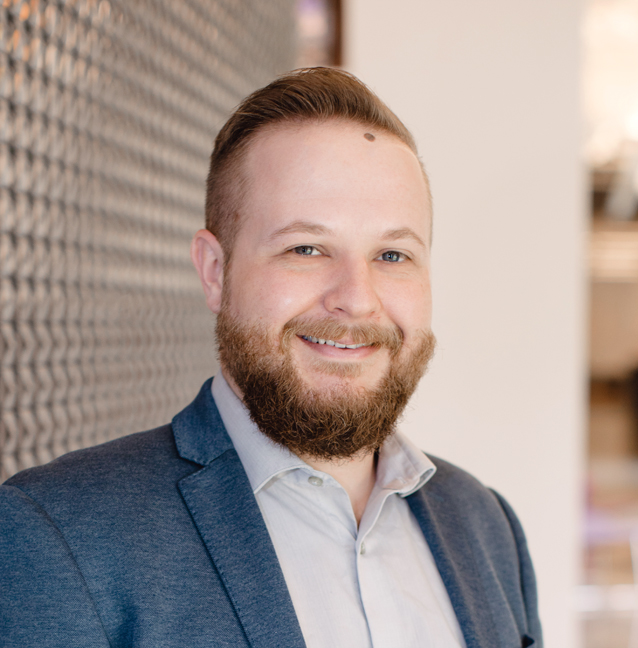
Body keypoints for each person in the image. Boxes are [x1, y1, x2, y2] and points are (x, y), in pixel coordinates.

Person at [0, 68, 542, 648]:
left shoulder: (488, 527)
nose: (357, 299)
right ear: (216, 272)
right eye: (305, 248)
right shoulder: (56, 534)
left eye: (392, 254)